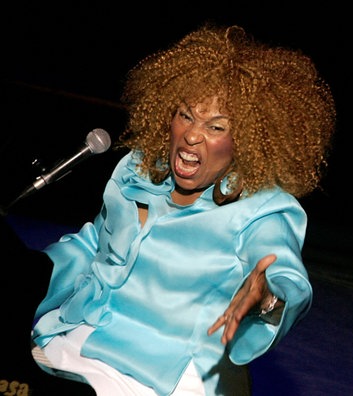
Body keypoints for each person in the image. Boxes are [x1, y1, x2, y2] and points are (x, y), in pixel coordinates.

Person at [28, 23, 336, 395]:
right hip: (78, 341)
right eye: (186, 115)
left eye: (216, 126)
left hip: (166, 374)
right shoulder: (137, 171)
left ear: (249, 141)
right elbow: (93, 248)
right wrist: (27, 272)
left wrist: (268, 297)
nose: (192, 135)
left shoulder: (261, 210)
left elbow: (289, 280)